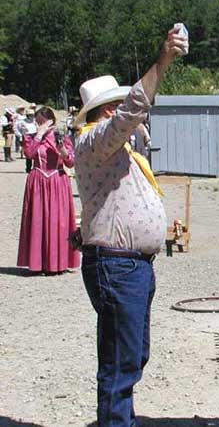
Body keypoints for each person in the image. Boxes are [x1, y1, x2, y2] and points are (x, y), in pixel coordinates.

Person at [74, 26, 186, 427]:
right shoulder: (94, 141)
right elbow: (133, 110)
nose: (137, 116)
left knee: (131, 356)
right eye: (122, 107)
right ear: (110, 112)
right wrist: (164, 62)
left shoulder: (116, 149)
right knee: (121, 363)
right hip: (118, 265)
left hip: (130, 265)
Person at [17, 106, 79, 275]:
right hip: (38, 180)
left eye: (43, 122)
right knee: (38, 219)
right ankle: (38, 262)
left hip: (57, 181)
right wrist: (38, 134)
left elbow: (71, 163)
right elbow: (29, 154)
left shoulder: (61, 137)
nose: (40, 125)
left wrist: (64, 152)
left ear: (52, 121)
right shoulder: (30, 137)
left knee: (59, 221)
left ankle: (59, 262)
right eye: (38, 123)